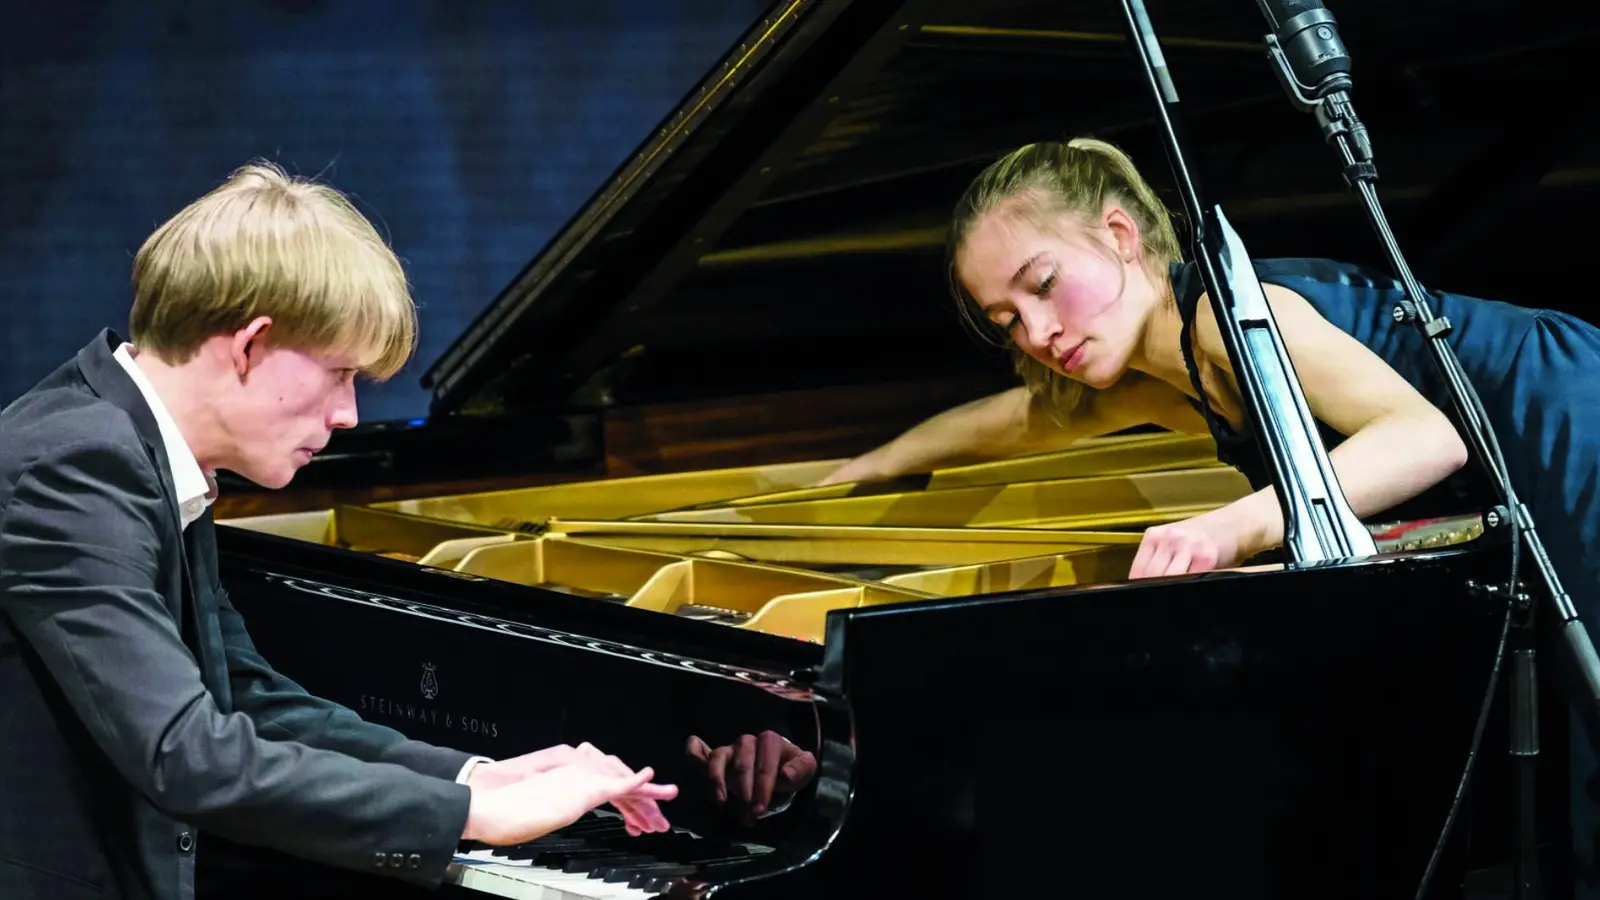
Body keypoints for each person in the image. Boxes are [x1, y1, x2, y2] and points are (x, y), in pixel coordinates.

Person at [820, 137, 1600, 895]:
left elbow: (1428, 439)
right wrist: (879, 464)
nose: (1038, 331)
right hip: (1529, 447)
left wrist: (1228, 527)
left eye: (1045, 283)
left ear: (1120, 234)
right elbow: (1012, 421)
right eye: (1007, 320)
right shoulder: (1149, 376)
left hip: (1568, 417)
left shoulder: (1223, 318)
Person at [0, 162, 680, 900]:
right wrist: (477, 814)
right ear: (250, 346)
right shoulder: (76, 467)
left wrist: (470, 773)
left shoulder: (139, 445)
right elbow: (187, 753)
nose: (349, 414)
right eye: (339, 374)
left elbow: (246, 699)